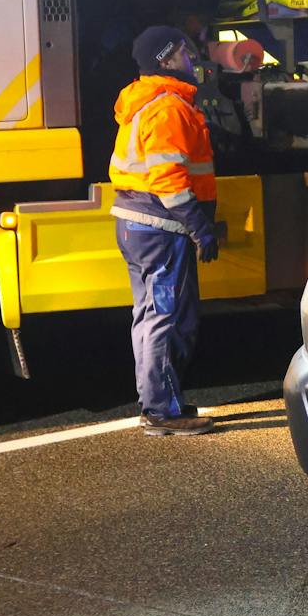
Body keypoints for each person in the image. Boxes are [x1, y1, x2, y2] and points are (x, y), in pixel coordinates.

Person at [108, 26, 221, 436]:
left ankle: (160, 402)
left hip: (139, 226)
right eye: (184, 53)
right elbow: (169, 180)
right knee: (167, 319)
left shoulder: (148, 102)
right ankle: (162, 412)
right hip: (160, 228)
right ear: (166, 59)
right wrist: (199, 227)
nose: (191, 58)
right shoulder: (169, 108)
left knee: (153, 317)